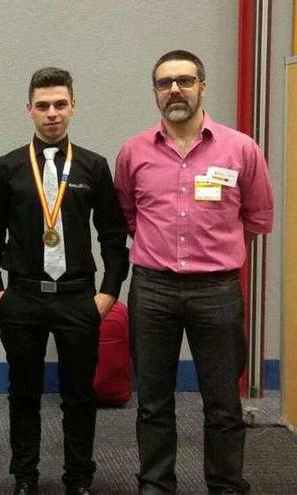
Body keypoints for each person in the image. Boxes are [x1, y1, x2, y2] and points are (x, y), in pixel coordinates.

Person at [114, 50, 273, 495]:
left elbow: (258, 218)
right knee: (153, 402)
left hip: (217, 291)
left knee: (223, 403)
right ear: (155, 93)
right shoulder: (133, 152)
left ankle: (224, 485)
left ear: (202, 86)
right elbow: (129, 213)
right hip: (153, 288)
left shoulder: (241, 148)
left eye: (185, 80)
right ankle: (156, 485)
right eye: (165, 83)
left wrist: (214, 251)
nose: (175, 90)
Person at [0, 67, 129, 495]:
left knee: (79, 395)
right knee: (23, 393)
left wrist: (107, 294)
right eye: (43, 106)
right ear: (29, 109)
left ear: (73, 107)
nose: (52, 114)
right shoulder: (7, 167)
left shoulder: (94, 167)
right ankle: (25, 476)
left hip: (78, 299)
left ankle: (79, 477)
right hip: (23, 298)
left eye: (60, 105)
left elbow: (114, 237)